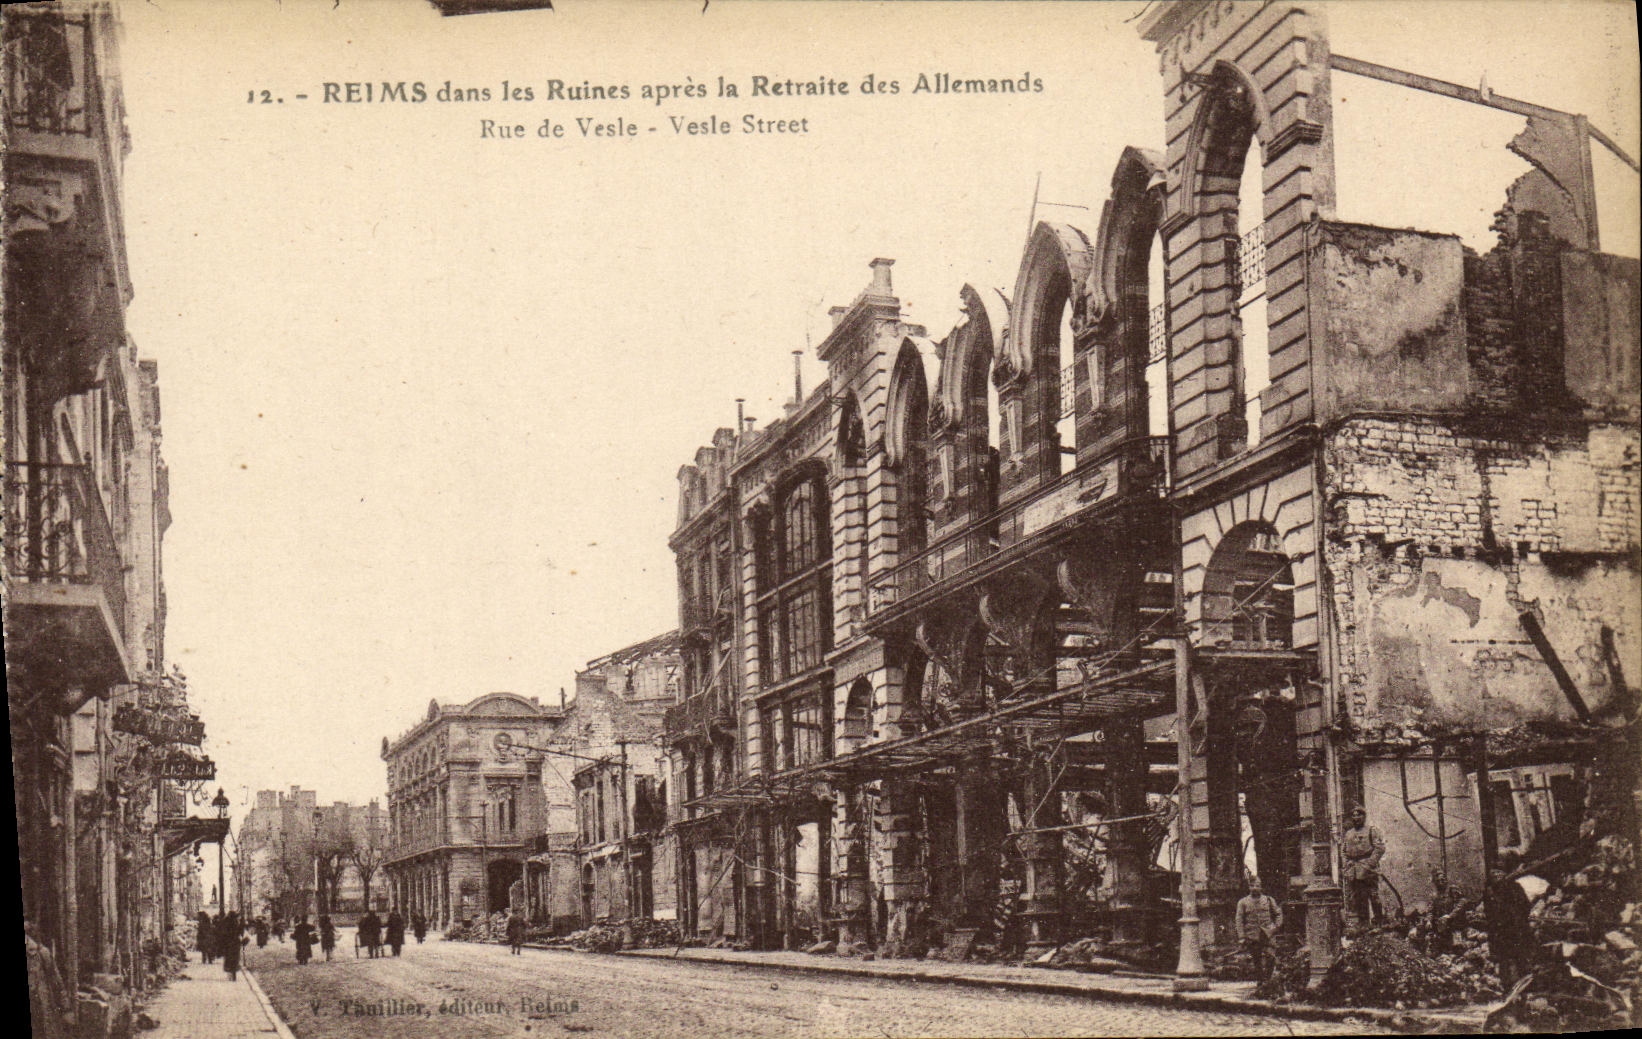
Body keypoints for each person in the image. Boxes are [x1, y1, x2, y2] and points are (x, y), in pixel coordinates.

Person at [1340, 804, 1386, 927]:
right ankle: (1363, 924)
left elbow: (1380, 848)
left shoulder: (1371, 830)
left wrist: (1370, 864)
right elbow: (1343, 851)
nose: (1356, 818)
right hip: (1354, 870)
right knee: (1359, 899)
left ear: (1364, 817)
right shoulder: (1348, 834)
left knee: (1373, 895)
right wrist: (1347, 864)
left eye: (1359, 815)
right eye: (1354, 816)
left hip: (1368, 870)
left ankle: (1379, 921)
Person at [1235, 877, 1283, 981]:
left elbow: (1278, 913)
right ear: (1249, 887)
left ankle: (1268, 979)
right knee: (1257, 960)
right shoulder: (1243, 902)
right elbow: (1239, 920)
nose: (1255, 888)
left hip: (1268, 934)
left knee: (1271, 957)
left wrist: (1276, 927)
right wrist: (1242, 937)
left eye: (1257, 885)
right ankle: (1261, 982)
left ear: (1261, 887)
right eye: (1252, 886)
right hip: (1252, 936)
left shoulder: (1269, 900)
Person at [220, 911, 243, 981]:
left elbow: (223, 933)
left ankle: (230, 973)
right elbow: (239, 931)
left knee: (228, 957)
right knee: (235, 958)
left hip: (228, 943)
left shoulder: (225, 922)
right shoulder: (236, 922)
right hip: (235, 942)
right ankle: (233, 973)